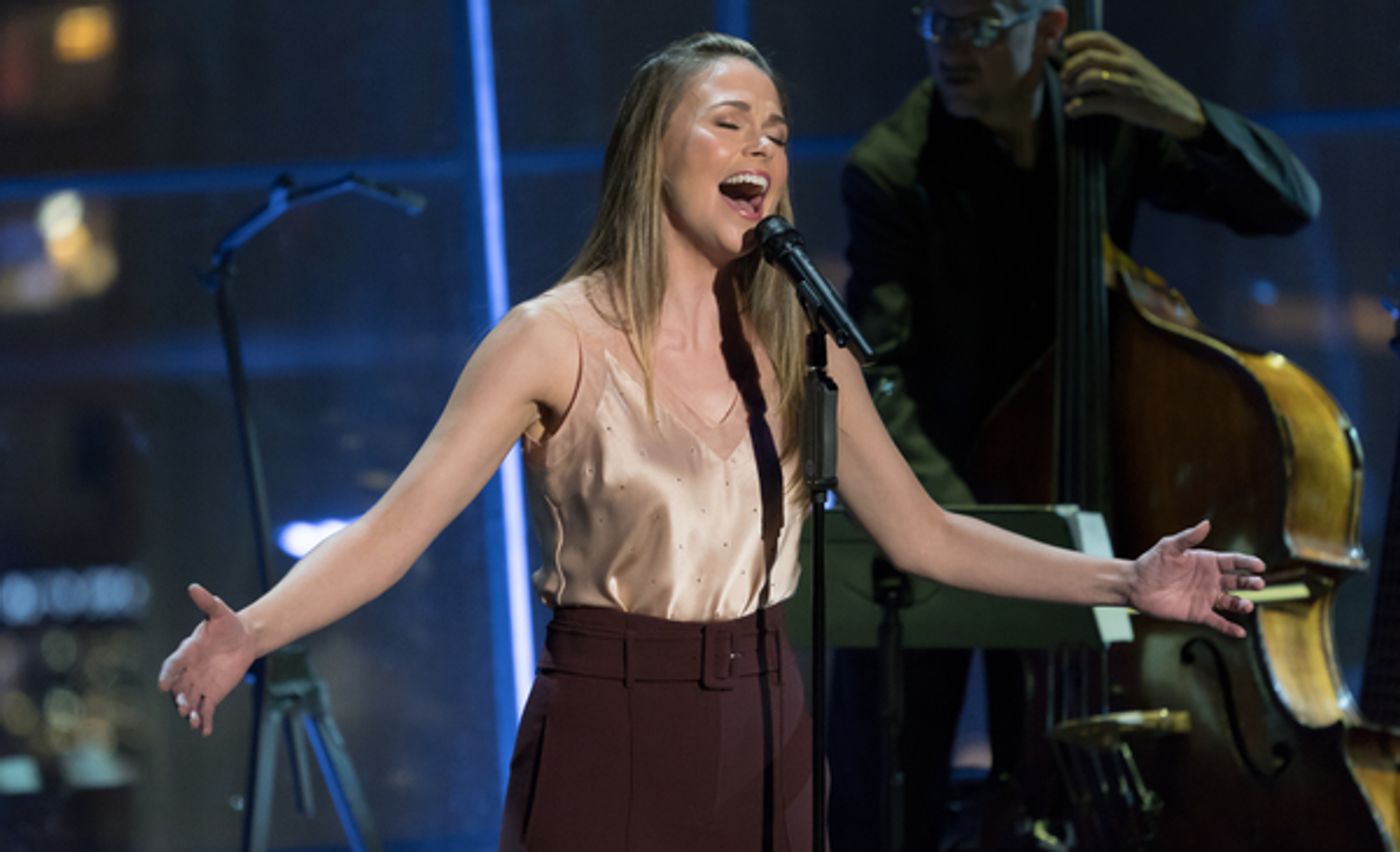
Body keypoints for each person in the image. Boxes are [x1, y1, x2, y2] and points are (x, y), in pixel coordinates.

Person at [157, 31, 1267, 852]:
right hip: (610, 717)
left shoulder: (798, 341)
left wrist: (1125, 580)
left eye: (775, 133)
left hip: (766, 717)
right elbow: (394, 530)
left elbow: (923, 534)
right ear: (654, 151)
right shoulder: (550, 338)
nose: (761, 148)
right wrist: (252, 631)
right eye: (730, 122)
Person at [830, 0, 1319, 848]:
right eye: (935, 21)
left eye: (979, 26)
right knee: (890, 783)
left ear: (1052, 27)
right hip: (942, 484)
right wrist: (968, 539)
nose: (950, 47)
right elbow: (881, 370)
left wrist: (1190, 117)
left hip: (1085, 482)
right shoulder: (892, 166)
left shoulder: (1108, 121)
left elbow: (1287, 205)